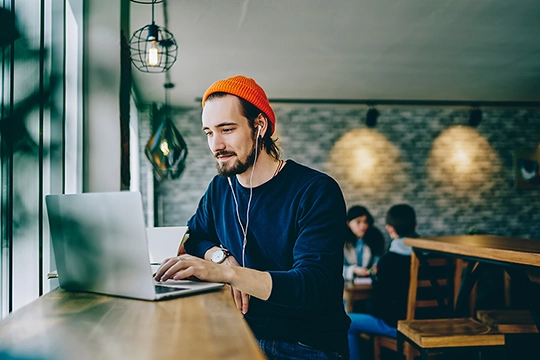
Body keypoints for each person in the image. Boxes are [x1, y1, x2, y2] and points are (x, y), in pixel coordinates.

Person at [154, 75, 351, 359]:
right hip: (237, 332)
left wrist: (229, 274)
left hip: (304, 344)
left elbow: (315, 285)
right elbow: (196, 237)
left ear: (259, 126)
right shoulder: (221, 187)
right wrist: (219, 257)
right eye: (209, 132)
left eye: (227, 129)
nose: (216, 145)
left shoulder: (316, 190)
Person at [347, 204, 418, 360]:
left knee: (347, 322)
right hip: (432, 320)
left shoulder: (388, 262)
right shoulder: (432, 255)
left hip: (399, 326)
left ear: (390, 229)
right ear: (415, 226)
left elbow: (379, 307)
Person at [343, 206, 385, 281]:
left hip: (368, 284)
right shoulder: (342, 241)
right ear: (348, 223)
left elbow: (377, 260)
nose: (363, 226)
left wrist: (375, 268)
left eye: (365, 222)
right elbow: (335, 268)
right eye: (358, 222)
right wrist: (353, 270)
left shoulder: (375, 238)